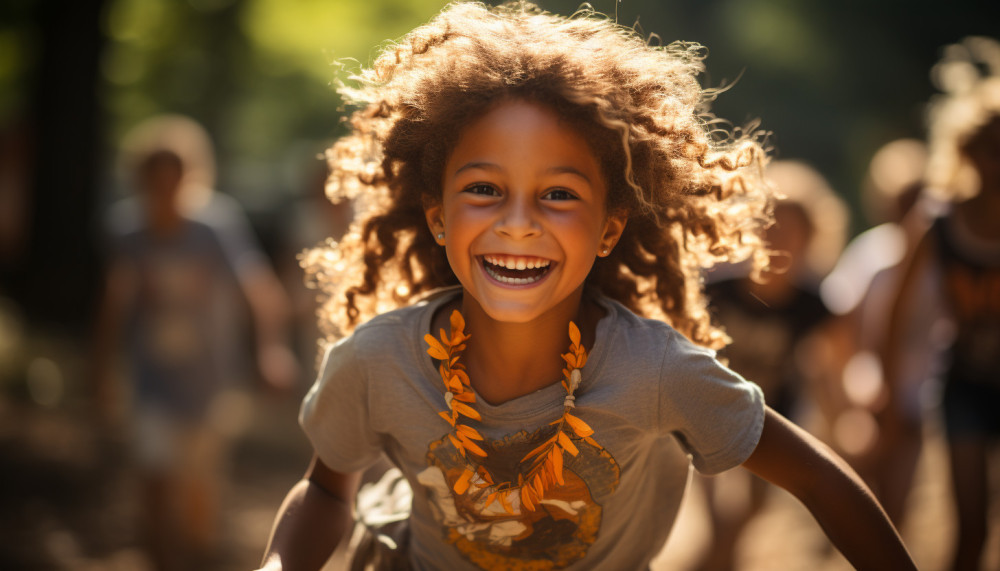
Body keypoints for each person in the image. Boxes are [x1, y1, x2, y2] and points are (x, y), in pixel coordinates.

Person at [258, 3, 915, 570]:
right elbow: (324, 489)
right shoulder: (379, 361)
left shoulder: (655, 371)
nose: (518, 224)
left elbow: (822, 480)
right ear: (438, 216)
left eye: (559, 194)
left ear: (608, 228)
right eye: (484, 189)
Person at [92, 115, 298, 570]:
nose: (166, 189)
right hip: (151, 380)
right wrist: (102, 368)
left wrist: (270, 350)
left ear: (190, 176)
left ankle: (198, 556)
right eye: (155, 179)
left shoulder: (214, 226)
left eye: (174, 178)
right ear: (141, 179)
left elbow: (259, 290)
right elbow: (114, 303)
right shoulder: (128, 230)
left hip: (210, 380)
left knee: (198, 490)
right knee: (153, 480)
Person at [882, 36, 1000, 571]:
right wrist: (885, 386)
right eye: (993, 148)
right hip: (964, 384)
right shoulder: (938, 223)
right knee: (971, 522)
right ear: (969, 149)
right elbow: (897, 313)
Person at [697, 160, 848, 570]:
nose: (779, 237)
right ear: (750, 228)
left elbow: (831, 369)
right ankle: (717, 553)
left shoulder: (814, 306)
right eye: (770, 225)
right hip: (708, 409)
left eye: (792, 230)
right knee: (717, 513)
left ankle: (718, 556)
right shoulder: (718, 290)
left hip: (772, 414)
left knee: (753, 508)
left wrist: (842, 422)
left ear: (812, 238)